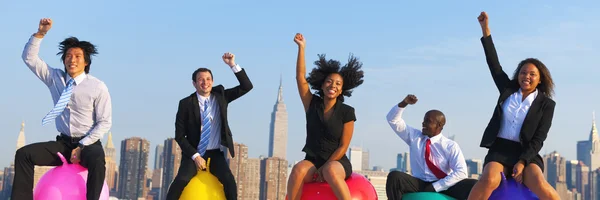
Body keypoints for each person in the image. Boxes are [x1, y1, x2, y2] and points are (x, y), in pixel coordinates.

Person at [13, 18, 112, 200]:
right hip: (64, 144)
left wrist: (82, 146)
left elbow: (104, 122)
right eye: (68, 56)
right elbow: (29, 58)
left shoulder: (98, 87)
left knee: (98, 160)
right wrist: (40, 34)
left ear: (86, 63)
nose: (71, 60)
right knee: (23, 154)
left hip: (88, 144)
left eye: (77, 56)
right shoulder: (55, 78)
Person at [467, 11, 559, 200]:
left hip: (526, 153)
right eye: (523, 72)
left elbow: (539, 138)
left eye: (532, 74)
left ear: (540, 79)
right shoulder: (507, 90)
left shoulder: (546, 105)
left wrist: (523, 162)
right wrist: (485, 30)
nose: (527, 76)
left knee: (542, 186)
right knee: (487, 181)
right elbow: (494, 65)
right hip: (500, 150)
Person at [286, 33, 364, 200]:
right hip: (313, 160)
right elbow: (300, 78)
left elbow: (343, 146)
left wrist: (326, 166)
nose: (333, 86)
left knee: (329, 171)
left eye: (337, 84)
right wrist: (301, 48)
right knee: (297, 170)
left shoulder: (347, 112)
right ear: (322, 85)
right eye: (329, 81)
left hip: (337, 162)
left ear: (342, 90)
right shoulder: (311, 104)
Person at [167, 52, 253, 200]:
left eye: (208, 79)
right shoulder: (185, 103)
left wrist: (232, 64)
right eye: (200, 79)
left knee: (229, 182)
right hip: (193, 154)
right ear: (194, 83)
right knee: (180, 182)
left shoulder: (221, 97)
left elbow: (247, 86)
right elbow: (179, 136)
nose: (205, 82)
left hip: (215, 154)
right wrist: (195, 156)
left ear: (212, 82)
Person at [386, 94, 477, 200]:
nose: (423, 123)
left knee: (473, 185)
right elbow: (393, 120)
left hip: (443, 184)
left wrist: (436, 187)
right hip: (419, 183)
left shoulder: (450, 146)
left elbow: (461, 172)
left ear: (439, 125)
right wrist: (404, 103)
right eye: (424, 120)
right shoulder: (415, 137)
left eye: (427, 121)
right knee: (395, 177)